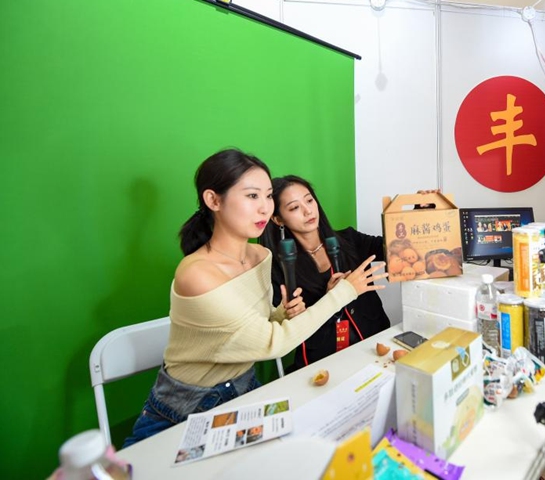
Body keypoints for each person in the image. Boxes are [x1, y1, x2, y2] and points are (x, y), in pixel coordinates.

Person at [124, 150, 387, 447]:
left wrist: (281, 314)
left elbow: (255, 323)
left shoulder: (260, 256)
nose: (263, 208)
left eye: (267, 197)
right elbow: (273, 343)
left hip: (245, 391)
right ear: (213, 200)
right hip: (183, 409)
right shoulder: (196, 273)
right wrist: (345, 292)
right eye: (252, 196)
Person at [260, 175, 392, 371]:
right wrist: (329, 298)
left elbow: (396, 249)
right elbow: (279, 326)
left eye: (309, 200)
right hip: (322, 363)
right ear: (278, 219)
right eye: (294, 208)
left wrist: (420, 215)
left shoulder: (349, 240)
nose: (308, 210)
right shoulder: (280, 267)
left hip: (374, 349)